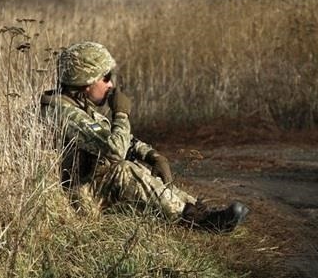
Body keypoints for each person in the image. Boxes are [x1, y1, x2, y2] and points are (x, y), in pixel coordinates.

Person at [39, 41, 249, 232]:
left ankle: (198, 211)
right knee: (124, 169)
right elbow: (115, 152)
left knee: (137, 166)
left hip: (88, 187)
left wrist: (152, 155)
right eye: (105, 78)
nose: (111, 85)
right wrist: (121, 114)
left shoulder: (79, 106)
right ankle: (195, 221)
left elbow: (115, 138)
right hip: (75, 198)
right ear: (86, 81)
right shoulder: (61, 113)